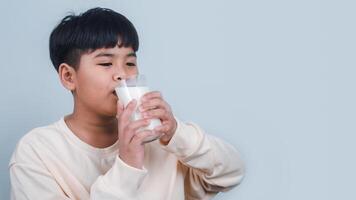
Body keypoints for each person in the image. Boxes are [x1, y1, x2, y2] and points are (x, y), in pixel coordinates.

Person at [9, 7, 245, 200]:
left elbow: (231, 172)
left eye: (130, 63)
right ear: (69, 77)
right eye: (105, 63)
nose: (122, 75)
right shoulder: (37, 151)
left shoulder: (163, 142)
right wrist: (128, 163)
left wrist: (175, 132)